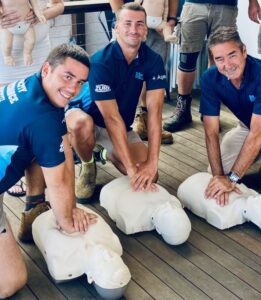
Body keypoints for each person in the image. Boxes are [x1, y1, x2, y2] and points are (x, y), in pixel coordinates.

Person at [0, 44, 97, 298]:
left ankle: (32, 206)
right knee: (11, 281)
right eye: (68, 76)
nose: (73, 89)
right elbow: (57, 185)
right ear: (47, 69)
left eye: (80, 82)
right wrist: (68, 218)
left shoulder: (35, 87)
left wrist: (72, 204)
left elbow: (63, 146)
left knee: (39, 149)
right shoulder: (41, 119)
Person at [66, 2, 167, 203]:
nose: (133, 29)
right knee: (80, 124)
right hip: (89, 118)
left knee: (149, 176)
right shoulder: (101, 62)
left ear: (145, 29)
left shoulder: (153, 60)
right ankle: (87, 163)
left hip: (121, 125)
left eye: (139, 24)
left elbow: (155, 113)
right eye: (127, 23)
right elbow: (110, 118)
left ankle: (105, 152)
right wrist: (130, 168)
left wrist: (152, 163)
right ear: (116, 27)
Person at [200, 27, 261, 206]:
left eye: (232, 55)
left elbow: (258, 133)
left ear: (244, 51)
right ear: (213, 60)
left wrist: (231, 180)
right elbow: (211, 132)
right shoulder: (209, 78)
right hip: (248, 126)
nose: (227, 64)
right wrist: (219, 177)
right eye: (219, 59)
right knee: (215, 170)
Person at [0, 0, 64, 197]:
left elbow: (60, 5)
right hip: (6, 67)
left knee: (41, 127)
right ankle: (11, 176)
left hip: (39, 63)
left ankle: (35, 197)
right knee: (8, 129)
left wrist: (39, 15)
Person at [163, 0, 238, 132]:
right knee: (186, 59)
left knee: (219, 60)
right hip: (194, 6)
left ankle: (210, 110)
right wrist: (172, 16)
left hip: (226, 6)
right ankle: (183, 112)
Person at [109, 0, 177, 144]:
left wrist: (171, 19)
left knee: (154, 74)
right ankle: (117, 126)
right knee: (123, 73)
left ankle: (148, 122)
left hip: (158, 24)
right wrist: (121, 18)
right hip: (129, 20)